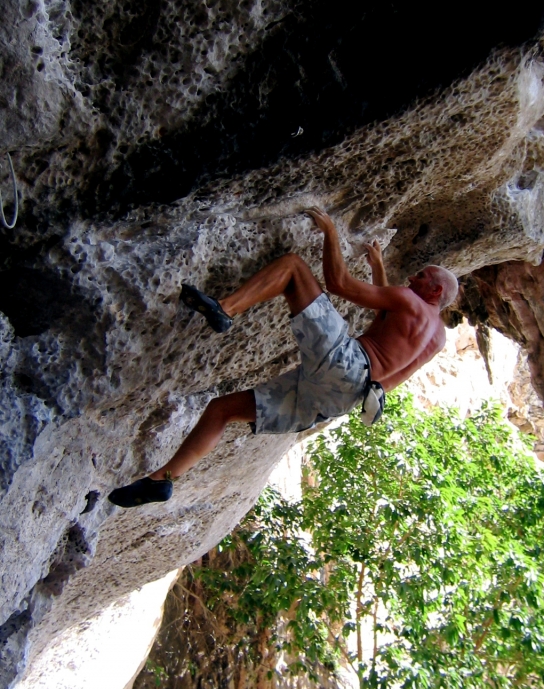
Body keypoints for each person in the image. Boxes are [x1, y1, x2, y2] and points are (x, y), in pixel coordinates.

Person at [109, 207, 458, 507]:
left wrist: (331, 232)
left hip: (345, 361)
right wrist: (379, 267)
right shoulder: (436, 339)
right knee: (222, 409)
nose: (412, 278)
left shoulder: (410, 300)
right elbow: (387, 333)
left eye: (421, 276)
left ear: (436, 290)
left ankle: (226, 309)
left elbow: (339, 283)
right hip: (342, 399)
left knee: (293, 267)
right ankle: (163, 478)